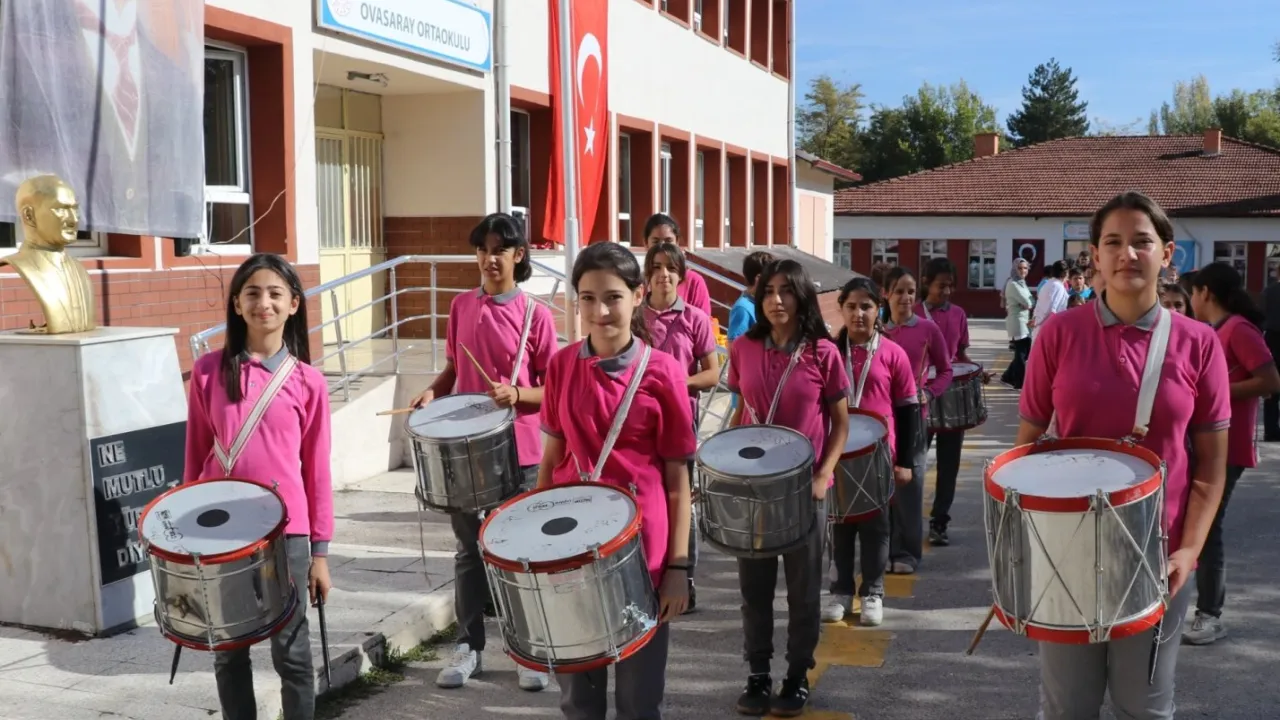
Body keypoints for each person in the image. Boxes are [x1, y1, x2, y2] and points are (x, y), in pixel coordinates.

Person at [1017, 191, 1230, 720]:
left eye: (1142, 242)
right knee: (1069, 708)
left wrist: (1189, 552)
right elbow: (1024, 451)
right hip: (1067, 552)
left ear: (1168, 254)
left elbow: (1209, 469)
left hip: (1159, 557)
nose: (1127, 254)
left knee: (1145, 707)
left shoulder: (1200, 343)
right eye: (1113, 242)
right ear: (1095, 255)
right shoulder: (1059, 334)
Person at [537, 241, 696, 720]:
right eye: (587, 298)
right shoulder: (562, 367)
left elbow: (677, 479)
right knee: (579, 701)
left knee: (638, 700)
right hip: (570, 555)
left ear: (638, 295)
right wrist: (540, 547)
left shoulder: (664, 372)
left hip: (641, 557)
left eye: (612, 297)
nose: (599, 310)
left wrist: (678, 568)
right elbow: (551, 461)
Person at [411, 213, 558, 691]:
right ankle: (468, 646)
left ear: (519, 255)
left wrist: (519, 394)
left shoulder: (537, 315)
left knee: (517, 552)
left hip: (521, 449)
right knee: (469, 552)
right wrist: (433, 393)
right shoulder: (460, 307)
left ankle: (526, 650)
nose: (489, 258)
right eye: (482, 249)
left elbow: (552, 391)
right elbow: (453, 369)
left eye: (500, 249)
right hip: (464, 453)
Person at [184, 253, 334, 720]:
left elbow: (317, 471)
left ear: (293, 304)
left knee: (291, 652)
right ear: (235, 303)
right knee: (228, 652)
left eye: (274, 294)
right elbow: (193, 456)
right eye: (252, 293)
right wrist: (186, 537)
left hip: (284, 535)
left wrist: (321, 554)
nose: (262, 303)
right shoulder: (208, 372)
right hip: (220, 532)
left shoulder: (309, 382)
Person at [727, 259, 849, 717]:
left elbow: (840, 424)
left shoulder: (822, 352)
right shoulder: (743, 348)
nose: (776, 300)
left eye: (786, 291)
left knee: (803, 591)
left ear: (801, 297)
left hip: (805, 492)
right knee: (753, 589)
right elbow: (744, 415)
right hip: (754, 491)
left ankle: (797, 675)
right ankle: (757, 673)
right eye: (768, 292)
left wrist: (823, 476)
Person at [1185, 262, 1280, 645]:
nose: (1190, 300)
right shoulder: (1215, 331)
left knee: (1208, 529)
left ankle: (1210, 615)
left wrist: (1215, 392)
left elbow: (1270, 381)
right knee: (1194, 524)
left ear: (1205, 292)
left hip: (1230, 446)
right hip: (1208, 443)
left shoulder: (1238, 329)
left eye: (1192, 293)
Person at [821, 277, 919, 627]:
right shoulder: (829, 352)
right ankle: (840, 591)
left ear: (878, 310)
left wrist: (905, 461)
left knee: (876, 528)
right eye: (851, 306)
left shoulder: (893, 353)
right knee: (840, 526)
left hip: (879, 455)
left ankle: (873, 592)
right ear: (841, 309)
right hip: (839, 454)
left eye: (866, 306)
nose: (858, 313)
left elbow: (908, 410)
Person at [643, 242, 721, 614]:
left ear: (681, 275)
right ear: (647, 274)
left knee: (681, 504)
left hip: (680, 425)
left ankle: (683, 579)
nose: (663, 274)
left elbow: (712, 373)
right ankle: (646, 577)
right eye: (656, 267)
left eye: (671, 268)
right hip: (640, 427)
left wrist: (677, 384)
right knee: (645, 502)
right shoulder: (634, 316)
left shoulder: (695, 318)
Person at [881, 266, 951, 574]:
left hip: (913, 418)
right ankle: (884, 549)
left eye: (911, 291)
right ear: (886, 294)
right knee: (883, 485)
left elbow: (946, 370)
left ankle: (908, 553)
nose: (906, 297)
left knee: (911, 483)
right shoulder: (877, 331)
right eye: (899, 291)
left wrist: (929, 392)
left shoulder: (927, 329)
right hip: (881, 420)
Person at [917, 257, 978, 547]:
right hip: (919, 397)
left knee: (948, 465)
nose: (947, 292)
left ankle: (939, 522)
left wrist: (977, 371)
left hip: (951, 397)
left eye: (951, 286)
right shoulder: (911, 313)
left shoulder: (959, 314)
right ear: (926, 283)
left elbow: (961, 356)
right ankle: (902, 522)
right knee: (913, 462)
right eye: (941, 286)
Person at [644, 213, 711, 315]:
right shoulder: (637, 283)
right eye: (656, 241)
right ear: (645, 243)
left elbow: (704, 324)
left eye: (668, 241)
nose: (662, 247)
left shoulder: (694, 282)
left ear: (677, 242)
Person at [728, 250, 775, 342]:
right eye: (772, 278)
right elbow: (735, 347)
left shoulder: (763, 303)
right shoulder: (742, 308)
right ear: (759, 279)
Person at [1001, 258, 1034, 388]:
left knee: (1024, 353)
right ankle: (1018, 382)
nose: (1023, 271)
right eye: (1020, 268)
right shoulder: (1013, 284)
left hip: (1024, 321)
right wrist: (1027, 303)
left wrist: (1028, 303)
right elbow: (1029, 302)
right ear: (1015, 269)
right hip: (1017, 322)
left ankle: (1008, 376)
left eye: (1025, 268)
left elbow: (1030, 301)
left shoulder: (1021, 282)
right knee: (1021, 354)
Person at [1261, 265, 1280, 441]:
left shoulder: (1268, 291)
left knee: (1272, 387)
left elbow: (1262, 314)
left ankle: (1271, 429)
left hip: (1272, 338)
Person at [1031, 260, 1069, 338]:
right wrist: (1037, 321)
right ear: (1065, 273)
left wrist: (1036, 320)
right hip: (1048, 328)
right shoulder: (1057, 286)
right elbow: (1051, 309)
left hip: (1041, 325)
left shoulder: (1047, 284)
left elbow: (1039, 305)